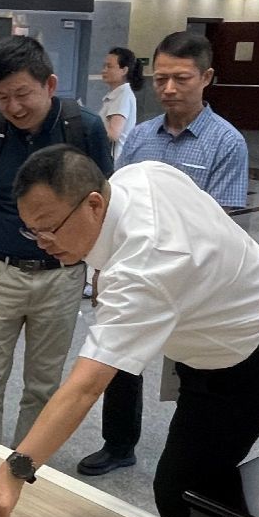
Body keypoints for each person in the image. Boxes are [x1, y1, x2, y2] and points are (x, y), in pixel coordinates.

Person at [0, 145, 259, 517]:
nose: (41, 242)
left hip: (253, 359)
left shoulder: (146, 265)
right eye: (32, 230)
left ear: (94, 204)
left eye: (50, 228)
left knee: (181, 493)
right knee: (187, 483)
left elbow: (85, 387)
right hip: (209, 335)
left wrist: (12, 475)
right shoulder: (140, 175)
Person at [77, 30, 249, 477]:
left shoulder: (226, 142)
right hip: (134, 269)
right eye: (160, 79)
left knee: (191, 369)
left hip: (192, 281)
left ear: (206, 77)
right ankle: (119, 444)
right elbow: (114, 206)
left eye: (182, 79)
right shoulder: (140, 137)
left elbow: (222, 225)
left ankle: (185, 452)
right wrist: (102, 272)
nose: (169, 89)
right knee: (121, 361)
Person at [0, 35, 113, 445]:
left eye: (22, 94)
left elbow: (104, 204)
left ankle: (25, 465)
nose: (14, 107)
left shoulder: (84, 128)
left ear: (49, 84)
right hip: (0, 272)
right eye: (3, 97)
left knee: (43, 385)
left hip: (62, 275)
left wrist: (101, 272)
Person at [99, 47, 143, 163]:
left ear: (124, 70)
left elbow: (114, 134)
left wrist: (91, 125)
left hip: (114, 160)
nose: (104, 70)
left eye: (109, 66)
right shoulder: (116, 94)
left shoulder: (123, 96)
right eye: (104, 66)